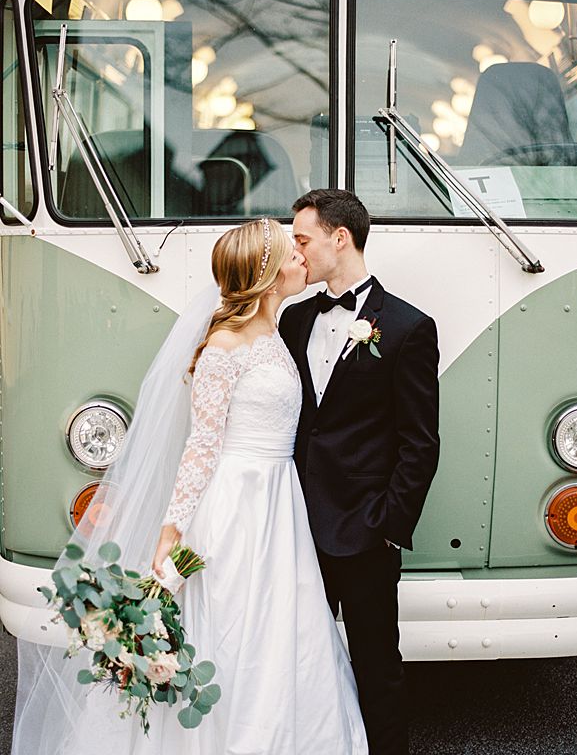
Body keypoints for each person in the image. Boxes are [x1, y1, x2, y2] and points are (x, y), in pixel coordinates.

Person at [11, 218, 368, 755]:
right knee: (232, 630)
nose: (302, 258)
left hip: (279, 505)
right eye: (290, 252)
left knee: (281, 635)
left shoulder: (275, 332)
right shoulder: (224, 346)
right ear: (267, 272)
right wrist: (171, 532)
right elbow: (202, 446)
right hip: (237, 508)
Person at [279, 189, 440, 755]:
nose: (295, 253)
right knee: (298, 658)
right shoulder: (295, 320)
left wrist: (390, 525)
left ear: (338, 237)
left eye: (302, 240)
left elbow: (419, 442)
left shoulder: (407, 328)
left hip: (365, 532)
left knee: (377, 664)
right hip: (293, 525)